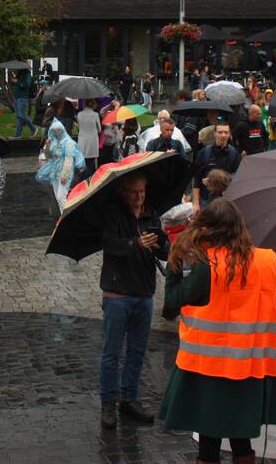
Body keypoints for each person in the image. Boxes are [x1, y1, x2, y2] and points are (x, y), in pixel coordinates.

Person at [160, 198, 276, 464]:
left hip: (208, 370)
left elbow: (171, 305)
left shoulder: (206, 267)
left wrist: (174, 264)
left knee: (209, 441)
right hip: (253, 368)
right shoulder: (270, 261)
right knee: (241, 437)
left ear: (206, 229)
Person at [98, 172, 169, 430]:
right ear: (124, 193)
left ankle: (129, 398)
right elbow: (109, 244)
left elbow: (164, 250)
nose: (139, 197)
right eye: (134, 192)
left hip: (144, 292)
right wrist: (135, 243)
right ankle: (108, 402)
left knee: (137, 351)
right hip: (118, 294)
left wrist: (161, 244)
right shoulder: (113, 214)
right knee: (112, 353)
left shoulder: (151, 215)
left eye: (142, 192)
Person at [35, 120, 85, 210]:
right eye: (53, 131)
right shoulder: (54, 142)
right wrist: (46, 147)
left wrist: (64, 175)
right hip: (54, 173)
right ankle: (64, 218)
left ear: (62, 130)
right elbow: (48, 157)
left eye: (57, 130)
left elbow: (69, 160)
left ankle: (67, 218)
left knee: (61, 197)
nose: (55, 132)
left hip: (65, 173)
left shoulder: (69, 143)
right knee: (59, 198)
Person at [192, 122, 241, 207]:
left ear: (229, 134)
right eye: (220, 132)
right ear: (215, 134)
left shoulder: (234, 153)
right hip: (206, 199)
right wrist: (196, 203)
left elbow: (238, 177)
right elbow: (196, 178)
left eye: (226, 132)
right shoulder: (204, 152)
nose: (223, 135)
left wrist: (214, 180)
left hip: (227, 199)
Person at [77, 99, 102, 178]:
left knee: (82, 162)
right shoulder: (95, 115)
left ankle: (82, 180)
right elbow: (99, 129)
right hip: (92, 141)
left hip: (82, 140)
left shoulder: (79, 114)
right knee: (90, 163)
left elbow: (79, 127)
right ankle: (89, 181)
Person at [12, 68, 37, 138]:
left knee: (22, 115)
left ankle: (33, 129)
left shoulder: (27, 75)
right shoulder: (19, 74)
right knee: (19, 116)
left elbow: (27, 85)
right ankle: (18, 134)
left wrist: (17, 82)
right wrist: (14, 80)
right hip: (16, 97)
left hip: (22, 98)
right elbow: (16, 84)